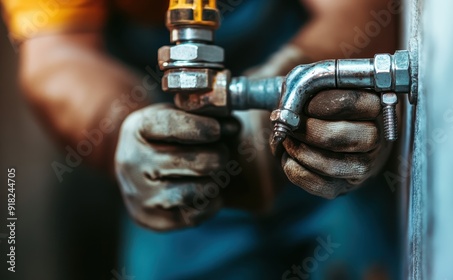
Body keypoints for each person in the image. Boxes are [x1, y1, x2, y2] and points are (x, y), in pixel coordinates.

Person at [1, 0, 400, 278]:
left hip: (313, 152)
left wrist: (296, 86)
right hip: (184, 179)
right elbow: (56, 55)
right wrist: (128, 132)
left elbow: (358, 9)